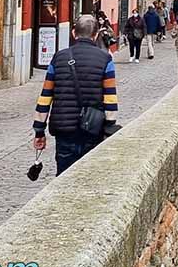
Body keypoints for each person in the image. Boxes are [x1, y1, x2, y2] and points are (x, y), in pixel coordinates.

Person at [32, 14, 118, 175]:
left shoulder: (59, 58)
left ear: (74, 33)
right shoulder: (105, 60)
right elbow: (110, 98)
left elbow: (45, 97)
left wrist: (39, 131)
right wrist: (109, 127)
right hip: (93, 129)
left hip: (64, 128)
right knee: (89, 176)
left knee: (64, 176)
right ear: (96, 35)